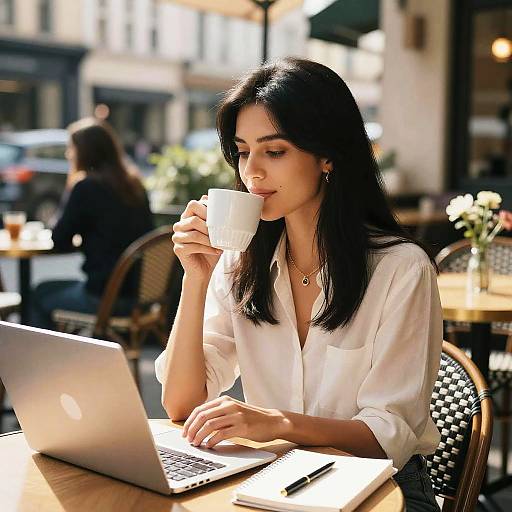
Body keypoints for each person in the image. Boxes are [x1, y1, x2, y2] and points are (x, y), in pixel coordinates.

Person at [155, 58, 442, 512]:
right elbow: (182, 404)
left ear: (326, 154)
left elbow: (387, 436)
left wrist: (277, 423)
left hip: (384, 488)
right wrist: (195, 277)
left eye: (274, 151)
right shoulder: (239, 264)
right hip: (276, 479)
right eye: (243, 151)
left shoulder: (400, 270)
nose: (252, 171)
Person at [30, 117, 154, 330]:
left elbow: (59, 239)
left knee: (39, 293)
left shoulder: (86, 187)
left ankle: (38, 361)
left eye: (71, 149)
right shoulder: (134, 185)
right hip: (141, 297)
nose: (69, 154)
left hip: (104, 298)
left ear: (83, 152)